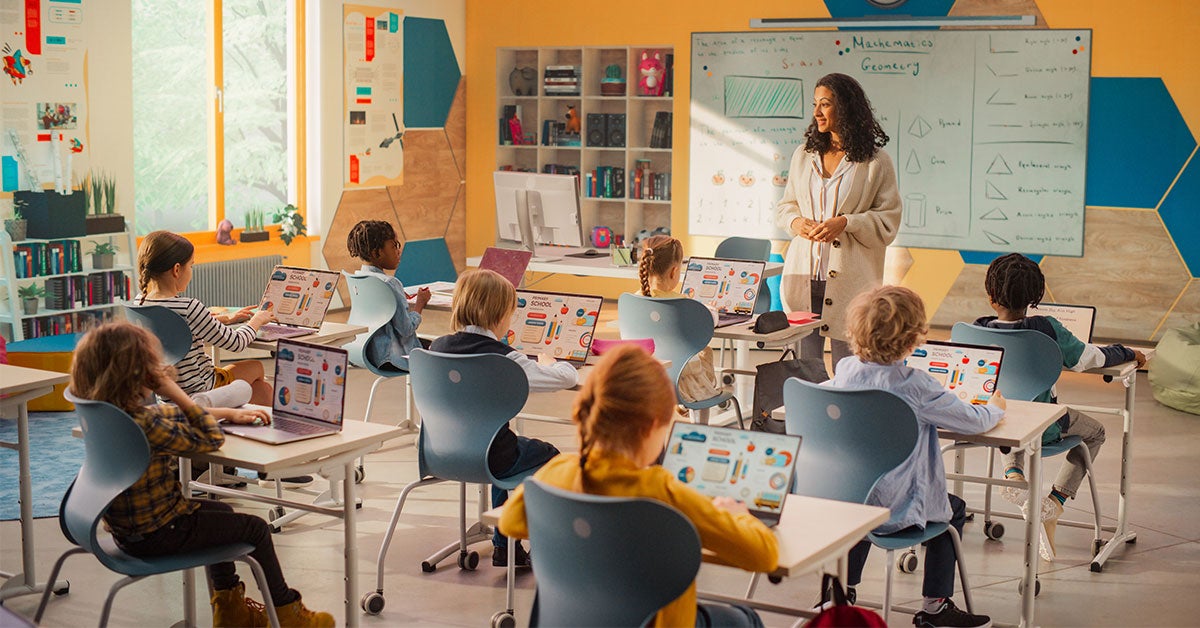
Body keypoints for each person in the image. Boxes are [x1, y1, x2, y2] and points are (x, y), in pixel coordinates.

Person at [69, 322, 334, 628]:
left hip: (129, 530)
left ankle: (230, 611)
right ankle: (287, 612)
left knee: (221, 512)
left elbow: (161, 414)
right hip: (161, 532)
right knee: (256, 528)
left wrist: (228, 413)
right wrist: (176, 392)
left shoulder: (110, 413)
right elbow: (211, 439)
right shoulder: (145, 425)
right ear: (139, 375)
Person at [498, 344, 777, 627]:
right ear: (651, 426)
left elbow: (509, 523)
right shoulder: (662, 492)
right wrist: (739, 516)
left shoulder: (555, 474)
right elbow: (764, 555)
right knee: (745, 619)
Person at [829, 286, 1004, 628]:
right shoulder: (916, 385)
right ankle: (936, 606)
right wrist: (995, 408)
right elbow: (973, 421)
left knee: (864, 503)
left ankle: (843, 591)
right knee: (953, 510)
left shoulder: (846, 369)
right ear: (913, 339)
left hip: (848, 501)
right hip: (899, 510)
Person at [974, 253, 1146, 559]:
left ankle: (1014, 473)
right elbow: (1091, 359)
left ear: (990, 296)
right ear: (1034, 297)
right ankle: (1054, 502)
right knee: (1095, 432)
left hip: (991, 421)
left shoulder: (977, 329)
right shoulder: (1046, 328)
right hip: (1043, 425)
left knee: (1013, 414)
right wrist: (1129, 352)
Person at [429, 269, 576, 567]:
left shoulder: (435, 348)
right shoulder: (506, 360)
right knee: (549, 457)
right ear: (500, 317)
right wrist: (551, 361)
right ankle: (522, 543)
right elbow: (566, 377)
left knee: (502, 443)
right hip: (493, 458)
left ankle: (505, 544)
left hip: (441, 454)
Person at [774, 73, 901, 373]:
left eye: (825, 104)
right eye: (815, 104)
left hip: (851, 283)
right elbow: (785, 207)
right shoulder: (803, 156)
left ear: (845, 108)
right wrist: (797, 223)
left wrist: (846, 223)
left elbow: (888, 221)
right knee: (806, 370)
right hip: (803, 277)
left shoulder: (875, 162)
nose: (817, 112)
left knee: (851, 371)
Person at [136, 230, 274, 405]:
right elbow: (236, 342)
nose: (191, 271)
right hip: (202, 389)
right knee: (256, 367)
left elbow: (178, 328)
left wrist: (226, 319)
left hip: (168, 395)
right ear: (177, 270)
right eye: (191, 266)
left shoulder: (139, 303)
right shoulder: (188, 307)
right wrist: (258, 320)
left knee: (263, 390)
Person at [637, 234, 725, 404]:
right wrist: (712, 310)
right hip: (683, 383)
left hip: (646, 380)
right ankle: (699, 422)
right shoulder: (683, 304)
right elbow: (708, 321)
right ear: (674, 271)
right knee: (704, 351)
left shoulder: (633, 299)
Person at [346, 220, 430, 370]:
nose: (399, 250)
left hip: (367, 354)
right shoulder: (390, 283)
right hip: (393, 358)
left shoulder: (357, 279)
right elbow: (406, 329)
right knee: (439, 349)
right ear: (376, 253)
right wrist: (420, 304)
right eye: (394, 246)